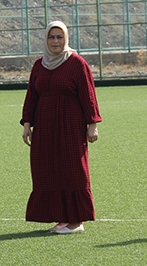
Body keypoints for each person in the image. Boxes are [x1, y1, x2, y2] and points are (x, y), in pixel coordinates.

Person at [21, 20, 102, 234]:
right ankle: (62, 218)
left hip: (70, 125)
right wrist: (27, 124)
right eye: (51, 37)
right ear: (46, 39)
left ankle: (76, 221)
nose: (55, 41)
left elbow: (89, 96)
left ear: (66, 39)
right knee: (47, 169)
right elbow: (32, 96)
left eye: (59, 37)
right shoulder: (39, 65)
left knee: (73, 169)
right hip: (45, 126)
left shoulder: (77, 63)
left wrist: (92, 124)